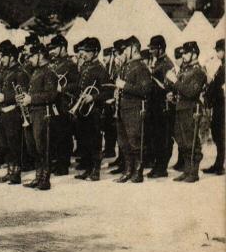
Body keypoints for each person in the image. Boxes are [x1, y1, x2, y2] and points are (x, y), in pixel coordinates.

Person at [17, 43, 57, 190]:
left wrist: (31, 99)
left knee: (42, 147)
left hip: (42, 113)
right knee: (32, 146)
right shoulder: (37, 71)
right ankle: (38, 176)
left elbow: (51, 94)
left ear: (40, 55)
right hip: (33, 112)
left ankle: (45, 179)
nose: (30, 59)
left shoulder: (49, 72)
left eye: (32, 56)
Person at [113, 36, 152, 183]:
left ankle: (138, 171)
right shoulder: (126, 66)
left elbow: (146, 90)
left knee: (135, 142)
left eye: (125, 50)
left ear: (133, 49)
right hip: (123, 109)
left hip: (135, 109)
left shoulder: (141, 67)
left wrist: (124, 86)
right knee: (124, 142)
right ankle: (128, 170)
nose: (122, 53)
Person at [168, 41, 208, 182]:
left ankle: (193, 172)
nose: (183, 56)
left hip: (191, 109)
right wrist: (172, 94)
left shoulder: (199, 71)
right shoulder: (186, 69)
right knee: (182, 140)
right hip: (181, 108)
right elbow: (181, 89)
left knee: (191, 141)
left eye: (186, 53)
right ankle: (187, 170)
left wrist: (175, 82)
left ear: (194, 54)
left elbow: (191, 92)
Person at [0, 40, 29, 184]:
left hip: (13, 113)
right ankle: (9, 171)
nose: (1, 59)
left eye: (3, 56)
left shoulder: (20, 73)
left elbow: (22, 94)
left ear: (11, 57)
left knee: (14, 144)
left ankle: (16, 173)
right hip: (2, 112)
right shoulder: (5, 71)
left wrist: (4, 97)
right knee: (4, 144)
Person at [73, 38, 109, 181]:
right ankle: (87, 168)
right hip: (83, 110)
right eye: (85, 51)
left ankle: (95, 170)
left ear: (95, 52)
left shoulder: (100, 69)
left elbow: (108, 92)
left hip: (94, 111)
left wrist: (93, 97)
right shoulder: (85, 67)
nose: (85, 54)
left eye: (88, 51)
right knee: (84, 140)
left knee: (94, 141)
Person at [48, 35, 79, 176]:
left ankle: (63, 164)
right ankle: (57, 161)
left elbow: (76, 84)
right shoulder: (54, 63)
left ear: (62, 48)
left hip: (64, 104)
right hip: (53, 103)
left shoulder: (70, 64)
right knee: (54, 134)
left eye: (54, 48)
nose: (52, 51)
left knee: (63, 135)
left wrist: (62, 89)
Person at [146, 35, 176, 177]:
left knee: (163, 138)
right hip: (155, 106)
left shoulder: (167, 64)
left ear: (160, 48)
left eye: (152, 48)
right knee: (156, 138)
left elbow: (170, 86)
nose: (150, 51)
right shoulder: (158, 62)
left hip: (163, 108)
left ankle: (161, 167)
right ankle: (158, 165)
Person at [203, 38, 225, 175]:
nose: (217, 53)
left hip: (222, 106)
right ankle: (218, 163)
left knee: (220, 135)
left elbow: (218, 87)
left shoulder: (224, 68)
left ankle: (219, 164)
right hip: (218, 106)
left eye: (219, 50)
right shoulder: (221, 66)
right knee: (217, 134)